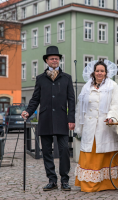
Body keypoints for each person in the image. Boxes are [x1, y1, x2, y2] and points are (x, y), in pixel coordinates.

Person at [21, 46, 75, 191]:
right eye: (52, 58)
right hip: (45, 119)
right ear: (47, 60)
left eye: (56, 58)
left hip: (62, 119)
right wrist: (27, 111)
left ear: (59, 61)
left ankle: (64, 180)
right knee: (46, 151)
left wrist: (71, 119)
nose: (54, 60)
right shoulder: (40, 79)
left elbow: (71, 100)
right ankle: (52, 180)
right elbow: (35, 99)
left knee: (64, 151)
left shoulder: (67, 78)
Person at [74, 60, 118, 192]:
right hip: (90, 126)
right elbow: (80, 107)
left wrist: (112, 117)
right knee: (89, 153)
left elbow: (116, 104)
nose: (99, 73)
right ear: (93, 72)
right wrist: (79, 123)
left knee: (104, 153)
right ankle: (88, 184)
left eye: (102, 71)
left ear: (106, 73)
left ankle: (108, 183)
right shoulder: (86, 87)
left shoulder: (112, 86)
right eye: (97, 71)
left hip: (105, 125)